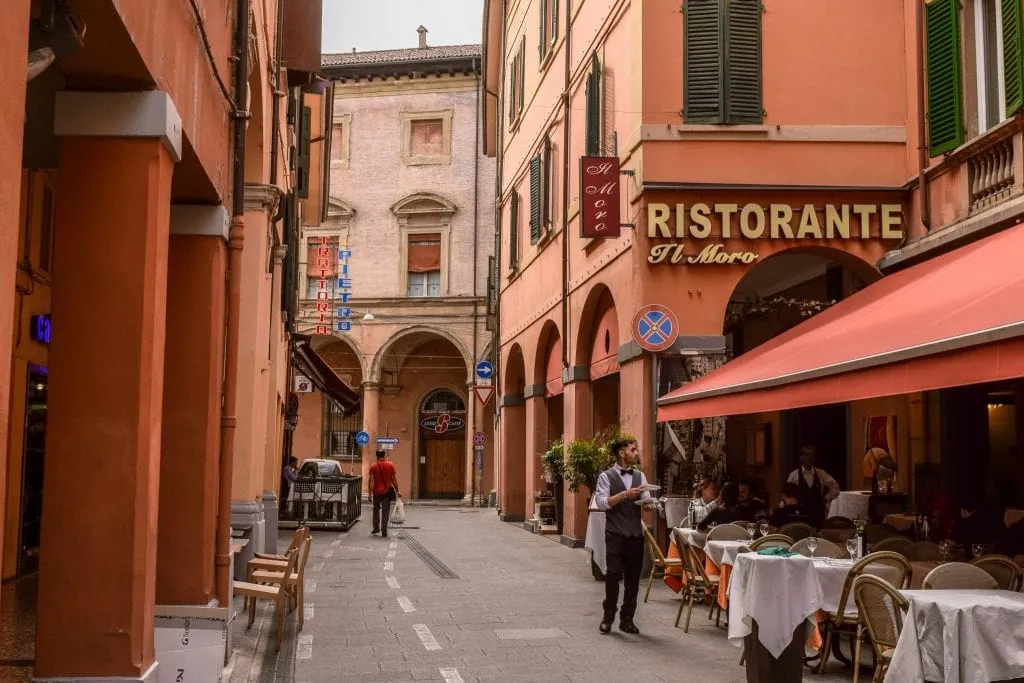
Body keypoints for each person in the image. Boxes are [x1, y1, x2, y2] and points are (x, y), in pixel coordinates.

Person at [593, 437, 653, 635]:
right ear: (621, 453)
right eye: (633, 450)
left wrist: (648, 504)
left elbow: (646, 499)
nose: (636, 453)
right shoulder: (606, 476)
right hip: (615, 533)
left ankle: (627, 619)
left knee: (633, 579)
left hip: (635, 533)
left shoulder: (640, 476)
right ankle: (608, 617)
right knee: (612, 575)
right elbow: (602, 503)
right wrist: (625, 495)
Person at [786, 445, 840, 527]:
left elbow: (835, 487)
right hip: (801, 515)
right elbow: (787, 494)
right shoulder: (794, 475)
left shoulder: (820, 473)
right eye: (807, 454)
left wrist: (827, 498)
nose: (810, 457)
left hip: (818, 514)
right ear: (801, 457)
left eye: (812, 455)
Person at [368, 450, 400, 538]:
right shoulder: (390, 465)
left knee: (376, 510)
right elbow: (394, 479)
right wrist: (397, 491)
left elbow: (371, 480)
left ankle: (376, 527)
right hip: (386, 492)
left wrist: (370, 493)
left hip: (377, 492)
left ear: (376, 456)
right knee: (385, 511)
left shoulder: (373, 466)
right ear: (384, 455)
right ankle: (384, 529)